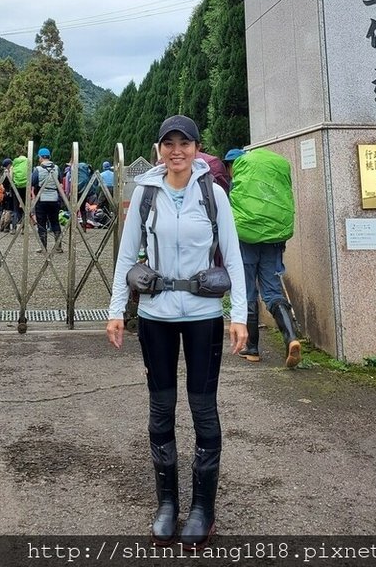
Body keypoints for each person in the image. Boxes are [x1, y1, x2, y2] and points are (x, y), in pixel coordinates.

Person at [107, 115, 247, 547]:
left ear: (196, 148)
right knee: (161, 407)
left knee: (203, 408)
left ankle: (203, 508)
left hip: (204, 313)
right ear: (159, 149)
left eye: (184, 144)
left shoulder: (214, 194)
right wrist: (116, 310)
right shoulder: (147, 193)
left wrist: (238, 313)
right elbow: (127, 256)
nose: (176, 151)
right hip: (156, 316)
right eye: (169, 144)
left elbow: (234, 256)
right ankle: (167, 502)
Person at [224, 147, 301, 369]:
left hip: (247, 243)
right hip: (273, 241)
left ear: (232, 166)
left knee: (248, 291)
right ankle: (291, 339)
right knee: (272, 292)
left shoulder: (239, 184)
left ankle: (252, 348)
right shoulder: (267, 180)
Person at [31, 147, 63, 252]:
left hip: (42, 198)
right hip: (54, 197)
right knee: (55, 222)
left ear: (40, 157)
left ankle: (43, 247)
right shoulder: (57, 168)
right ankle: (58, 246)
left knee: (41, 222)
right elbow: (60, 181)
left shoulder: (38, 169)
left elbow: (33, 182)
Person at [10, 151, 29, 226]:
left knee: (15, 208)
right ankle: (24, 228)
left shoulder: (14, 163)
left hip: (16, 187)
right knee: (25, 207)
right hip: (26, 186)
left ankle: (14, 227)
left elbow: (11, 176)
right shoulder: (28, 161)